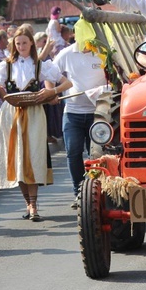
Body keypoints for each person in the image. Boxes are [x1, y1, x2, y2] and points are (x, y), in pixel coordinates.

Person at [0, 28, 72, 221]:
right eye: (18, 43)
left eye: (24, 43)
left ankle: (33, 205)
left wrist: (51, 92)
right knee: (18, 159)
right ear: (13, 45)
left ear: (31, 43)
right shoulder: (6, 66)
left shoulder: (40, 65)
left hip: (33, 114)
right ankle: (28, 203)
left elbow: (67, 83)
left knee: (32, 157)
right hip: (12, 113)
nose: (21, 46)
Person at [53, 42, 110, 209]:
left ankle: (97, 193)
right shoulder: (66, 53)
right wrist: (52, 91)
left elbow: (116, 76)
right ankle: (79, 192)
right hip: (72, 112)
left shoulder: (104, 51)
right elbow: (49, 74)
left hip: (98, 112)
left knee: (97, 155)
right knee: (73, 151)